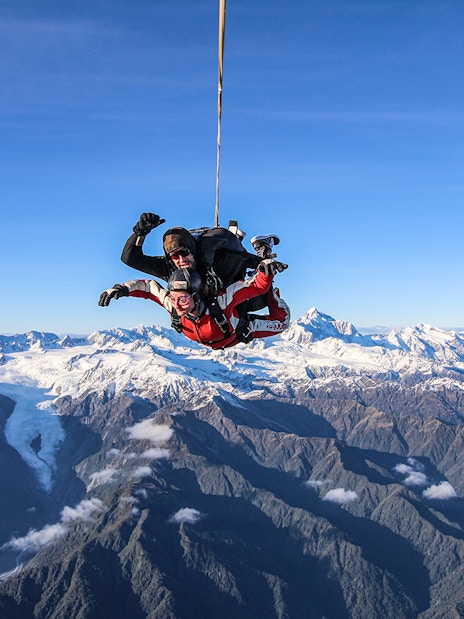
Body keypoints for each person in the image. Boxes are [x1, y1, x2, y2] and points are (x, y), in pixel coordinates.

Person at [98, 259, 290, 350]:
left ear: (197, 296)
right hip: (217, 339)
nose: (177, 305)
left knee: (283, 323)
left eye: (183, 299)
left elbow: (253, 286)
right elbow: (148, 288)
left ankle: (268, 272)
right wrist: (121, 289)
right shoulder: (173, 306)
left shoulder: (221, 303)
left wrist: (266, 273)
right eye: (174, 298)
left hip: (238, 333)